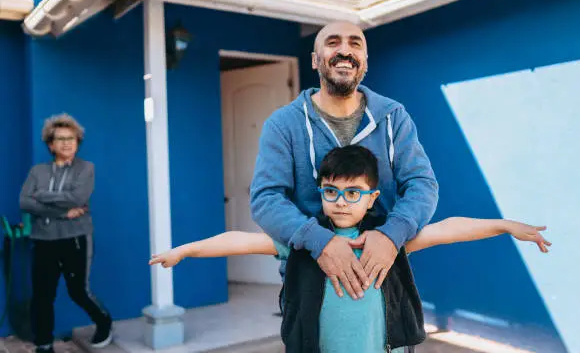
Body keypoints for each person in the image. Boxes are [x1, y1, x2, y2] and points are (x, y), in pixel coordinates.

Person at [151, 146, 550, 353]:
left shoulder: (389, 240)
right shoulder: (304, 242)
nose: (341, 201)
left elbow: (448, 229)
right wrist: (185, 249)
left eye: (353, 192)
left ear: (371, 196)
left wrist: (505, 226)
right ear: (321, 192)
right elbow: (238, 240)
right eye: (331, 191)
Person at [250, 21, 439, 306]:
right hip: (309, 287)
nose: (345, 50)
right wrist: (320, 242)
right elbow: (266, 198)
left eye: (355, 44)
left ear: (364, 61)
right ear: (315, 61)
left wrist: (391, 235)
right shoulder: (283, 124)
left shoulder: (393, 117)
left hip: (384, 280)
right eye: (332, 42)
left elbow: (422, 184)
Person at [19, 114, 113, 353]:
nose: (66, 143)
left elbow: (78, 198)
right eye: (60, 139)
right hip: (43, 240)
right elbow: (24, 202)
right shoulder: (37, 171)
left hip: (75, 239)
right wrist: (61, 211)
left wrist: (41, 195)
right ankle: (44, 344)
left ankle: (103, 321)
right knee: (42, 295)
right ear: (50, 144)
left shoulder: (86, 168)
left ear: (77, 141)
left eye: (71, 138)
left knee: (78, 291)